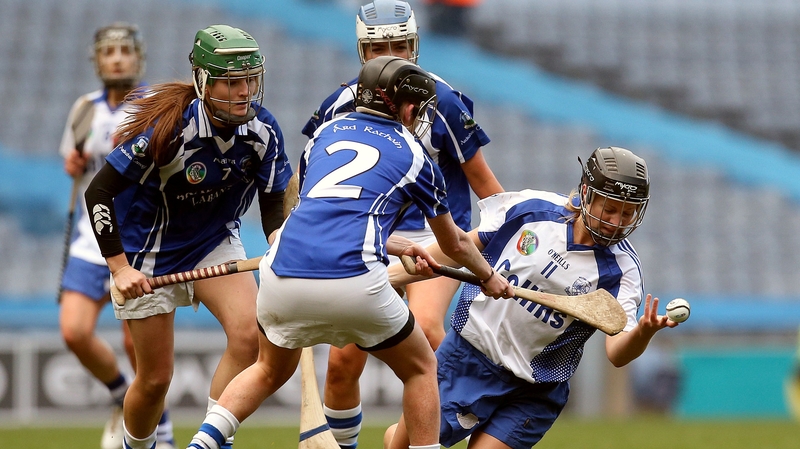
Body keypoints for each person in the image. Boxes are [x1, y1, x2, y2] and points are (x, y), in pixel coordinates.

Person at [185, 55, 512, 449]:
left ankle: (202, 442)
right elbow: (454, 243)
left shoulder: (327, 133)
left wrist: (400, 244)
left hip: (280, 274)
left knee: (267, 370)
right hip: (353, 282)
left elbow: (329, 214)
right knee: (422, 368)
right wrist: (489, 277)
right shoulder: (414, 153)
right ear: (406, 106)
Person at [301, 2, 504, 446]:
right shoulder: (338, 104)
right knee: (341, 366)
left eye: (398, 46)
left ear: (414, 46)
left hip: (440, 237)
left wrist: (508, 241)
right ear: (361, 50)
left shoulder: (444, 101)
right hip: (371, 240)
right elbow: (310, 181)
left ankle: (429, 430)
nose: (389, 55)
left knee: (428, 331)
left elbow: (486, 185)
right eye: (378, 47)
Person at [384, 146, 681, 449]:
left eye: (628, 213)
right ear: (586, 194)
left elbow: (617, 354)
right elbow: (456, 248)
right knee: (400, 445)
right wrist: (389, 278)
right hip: (467, 358)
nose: (617, 221)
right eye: (610, 209)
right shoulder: (531, 210)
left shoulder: (623, 270)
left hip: (536, 389)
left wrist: (643, 332)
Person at [83, 24, 292, 449]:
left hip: (214, 238)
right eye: (230, 83)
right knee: (156, 379)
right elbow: (98, 192)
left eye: (249, 80)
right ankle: (136, 446)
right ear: (203, 82)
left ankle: (214, 439)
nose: (243, 92)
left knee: (251, 337)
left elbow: (273, 197)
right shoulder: (167, 130)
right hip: (148, 251)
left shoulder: (263, 131)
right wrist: (119, 268)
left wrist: (277, 238)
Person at [58, 22, 176, 449]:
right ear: (97, 61)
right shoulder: (84, 109)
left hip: (137, 242)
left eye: (125, 51)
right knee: (73, 332)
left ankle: (158, 428)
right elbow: (75, 163)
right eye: (109, 53)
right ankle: (119, 393)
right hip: (90, 244)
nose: (117, 59)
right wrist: (72, 165)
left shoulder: (152, 106)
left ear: (138, 58)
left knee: (136, 344)